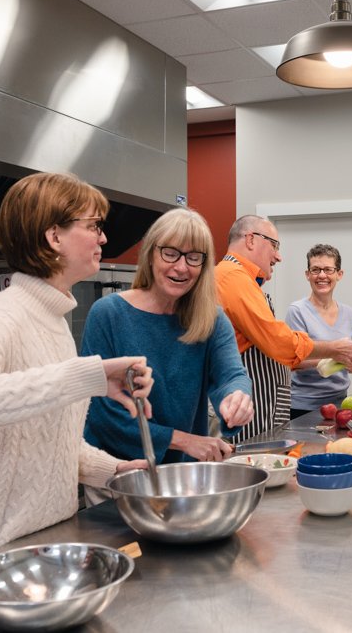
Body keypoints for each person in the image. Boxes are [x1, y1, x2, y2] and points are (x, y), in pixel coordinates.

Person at [0, 172, 154, 574]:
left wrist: (112, 470)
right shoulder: (1, 314)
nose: (103, 238)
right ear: (54, 236)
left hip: (38, 548)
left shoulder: (56, 322)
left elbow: (46, 440)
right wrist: (82, 376)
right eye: (94, 225)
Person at [80, 208, 254, 496]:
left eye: (194, 257)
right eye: (170, 253)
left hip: (184, 478)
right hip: (118, 477)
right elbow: (103, 414)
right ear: (151, 254)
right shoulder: (108, 314)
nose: (182, 267)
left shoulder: (212, 319)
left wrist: (237, 398)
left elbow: (231, 375)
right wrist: (184, 440)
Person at [215, 215, 352, 442]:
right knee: (247, 458)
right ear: (250, 240)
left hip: (258, 405)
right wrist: (334, 350)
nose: (278, 256)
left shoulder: (241, 279)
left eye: (329, 270)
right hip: (246, 405)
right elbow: (278, 342)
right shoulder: (233, 277)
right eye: (274, 245)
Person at [285, 244, 352, 419]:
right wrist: (336, 357)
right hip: (303, 406)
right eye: (315, 270)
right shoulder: (297, 311)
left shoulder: (349, 313)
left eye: (328, 270)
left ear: (339, 274)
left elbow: (347, 360)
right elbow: (292, 360)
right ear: (307, 275)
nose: (322, 275)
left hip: (341, 403)